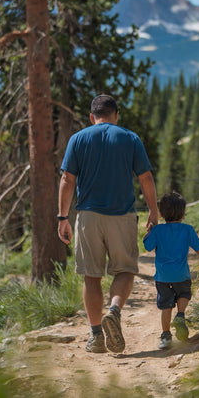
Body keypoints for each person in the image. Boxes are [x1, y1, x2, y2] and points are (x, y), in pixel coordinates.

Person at [57, 94, 159, 354]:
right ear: (116, 115)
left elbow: (68, 179)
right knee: (125, 270)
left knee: (91, 277)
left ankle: (95, 337)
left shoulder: (77, 139)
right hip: (122, 216)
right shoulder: (130, 138)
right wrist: (153, 210)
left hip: (88, 217)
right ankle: (114, 310)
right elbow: (145, 176)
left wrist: (62, 217)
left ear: (92, 117)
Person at [143, 191, 199, 350]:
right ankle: (181, 314)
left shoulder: (158, 231)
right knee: (184, 294)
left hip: (163, 277)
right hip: (182, 275)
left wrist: (150, 231)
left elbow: (147, 247)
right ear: (183, 214)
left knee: (166, 305)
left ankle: (166, 336)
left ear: (161, 214)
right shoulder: (187, 230)